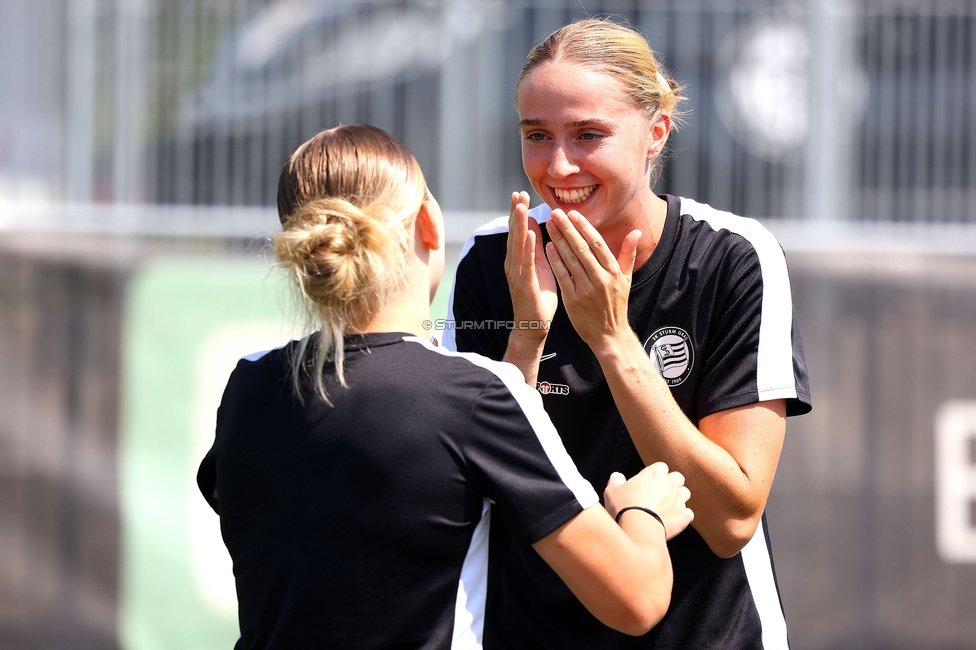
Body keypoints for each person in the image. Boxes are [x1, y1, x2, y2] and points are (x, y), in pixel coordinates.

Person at [196, 124, 694, 649]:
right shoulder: (475, 396)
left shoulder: (249, 385)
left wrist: (527, 334)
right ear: (430, 224)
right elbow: (636, 601)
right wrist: (644, 515)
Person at [444, 18, 812, 650]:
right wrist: (527, 337)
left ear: (655, 133)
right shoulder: (489, 262)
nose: (558, 166)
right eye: (537, 135)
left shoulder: (734, 258)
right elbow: (477, 489)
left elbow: (731, 519)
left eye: (589, 135)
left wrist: (613, 341)